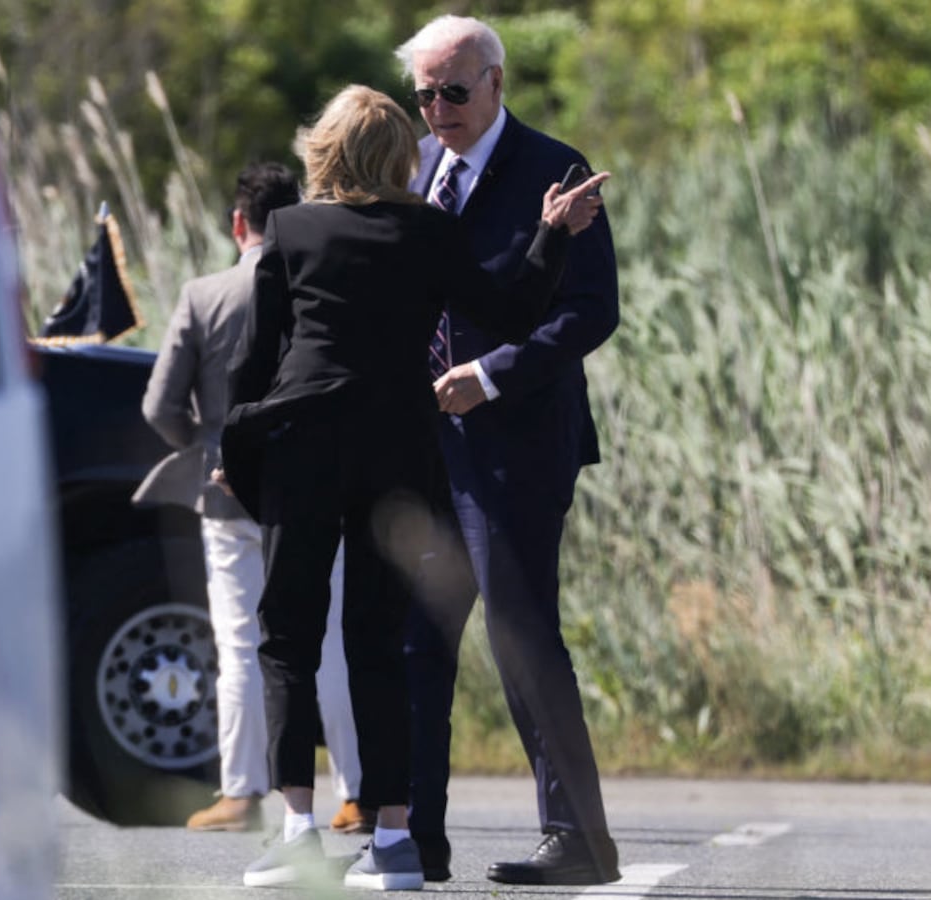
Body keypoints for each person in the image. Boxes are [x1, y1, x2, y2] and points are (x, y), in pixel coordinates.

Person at [222, 84, 605, 891]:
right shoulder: (428, 230)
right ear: (401, 154)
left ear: (323, 150)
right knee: (378, 641)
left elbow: (254, 361)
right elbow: (511, 307)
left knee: (289, 636)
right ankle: (396, 842)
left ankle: (297, 831)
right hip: (398, 450)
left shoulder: (289, 231)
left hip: (303, 445)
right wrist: (549, 233)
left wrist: (239, 444)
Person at [395, 15, 623, 887]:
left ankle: (578, 839)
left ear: (496, 83)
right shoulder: (413, 169)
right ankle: (412, 837)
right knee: (418, 639)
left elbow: (591, 310)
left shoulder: (553, 168)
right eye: (425, 93)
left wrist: (490, 375)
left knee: (521, 633)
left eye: (454, 90)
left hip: (517, 444)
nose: (438, 108)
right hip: (425, 451)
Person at [134, 162, 374, 836]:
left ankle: (241, 794)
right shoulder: (317, 289)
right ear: (294, 218)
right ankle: (355, 792)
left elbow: (158, 403)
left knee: (240, 643)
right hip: (312, 487)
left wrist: (206, 442)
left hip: (228, 491)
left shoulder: (203, 293)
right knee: (327, 641)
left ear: (238, 223)